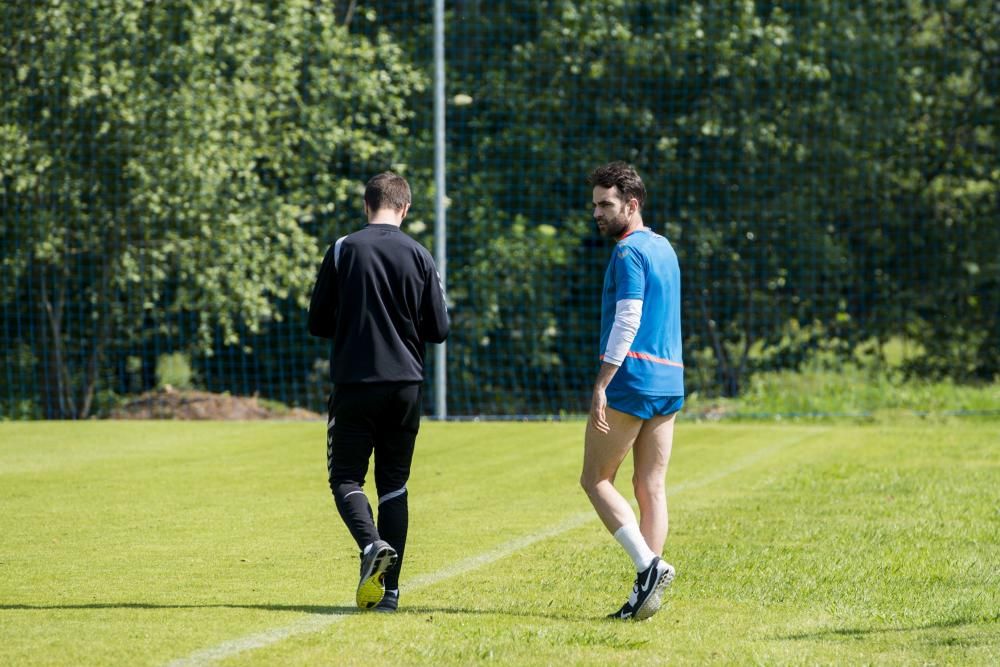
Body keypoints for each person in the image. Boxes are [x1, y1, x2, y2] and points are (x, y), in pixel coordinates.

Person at [308, 171, 449, 612]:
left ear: (366, 205)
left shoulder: (344, 249)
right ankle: (389, 593)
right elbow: (440, 329)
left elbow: (317, 322)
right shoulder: (421, 255)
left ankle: (371, 545)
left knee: (346, 477)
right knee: (394, 485)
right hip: (406, 385)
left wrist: (353, 325)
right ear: (404, 208)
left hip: (355, 382)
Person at [579, 161, 684, 621]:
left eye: (606, 205)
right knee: (651, 486)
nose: (598, 213)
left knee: (596, 479)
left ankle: (648, 567)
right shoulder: (664, 248)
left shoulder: (627, 252)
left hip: (633, 377)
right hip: (670, 378)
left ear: (631, 204)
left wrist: (603, 380)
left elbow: (628, 318)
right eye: (596, 205)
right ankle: (649, 590)